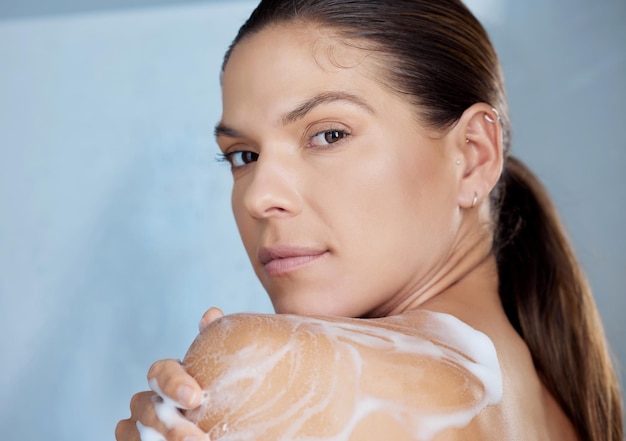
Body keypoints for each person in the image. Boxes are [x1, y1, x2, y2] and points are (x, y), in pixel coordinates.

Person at [115, 0, 623, 440]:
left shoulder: (276, 376)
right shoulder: (568, 411)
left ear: (472, 156)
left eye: (329, 134)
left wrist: (238, 373)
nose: (259, 197)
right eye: (243, 155)